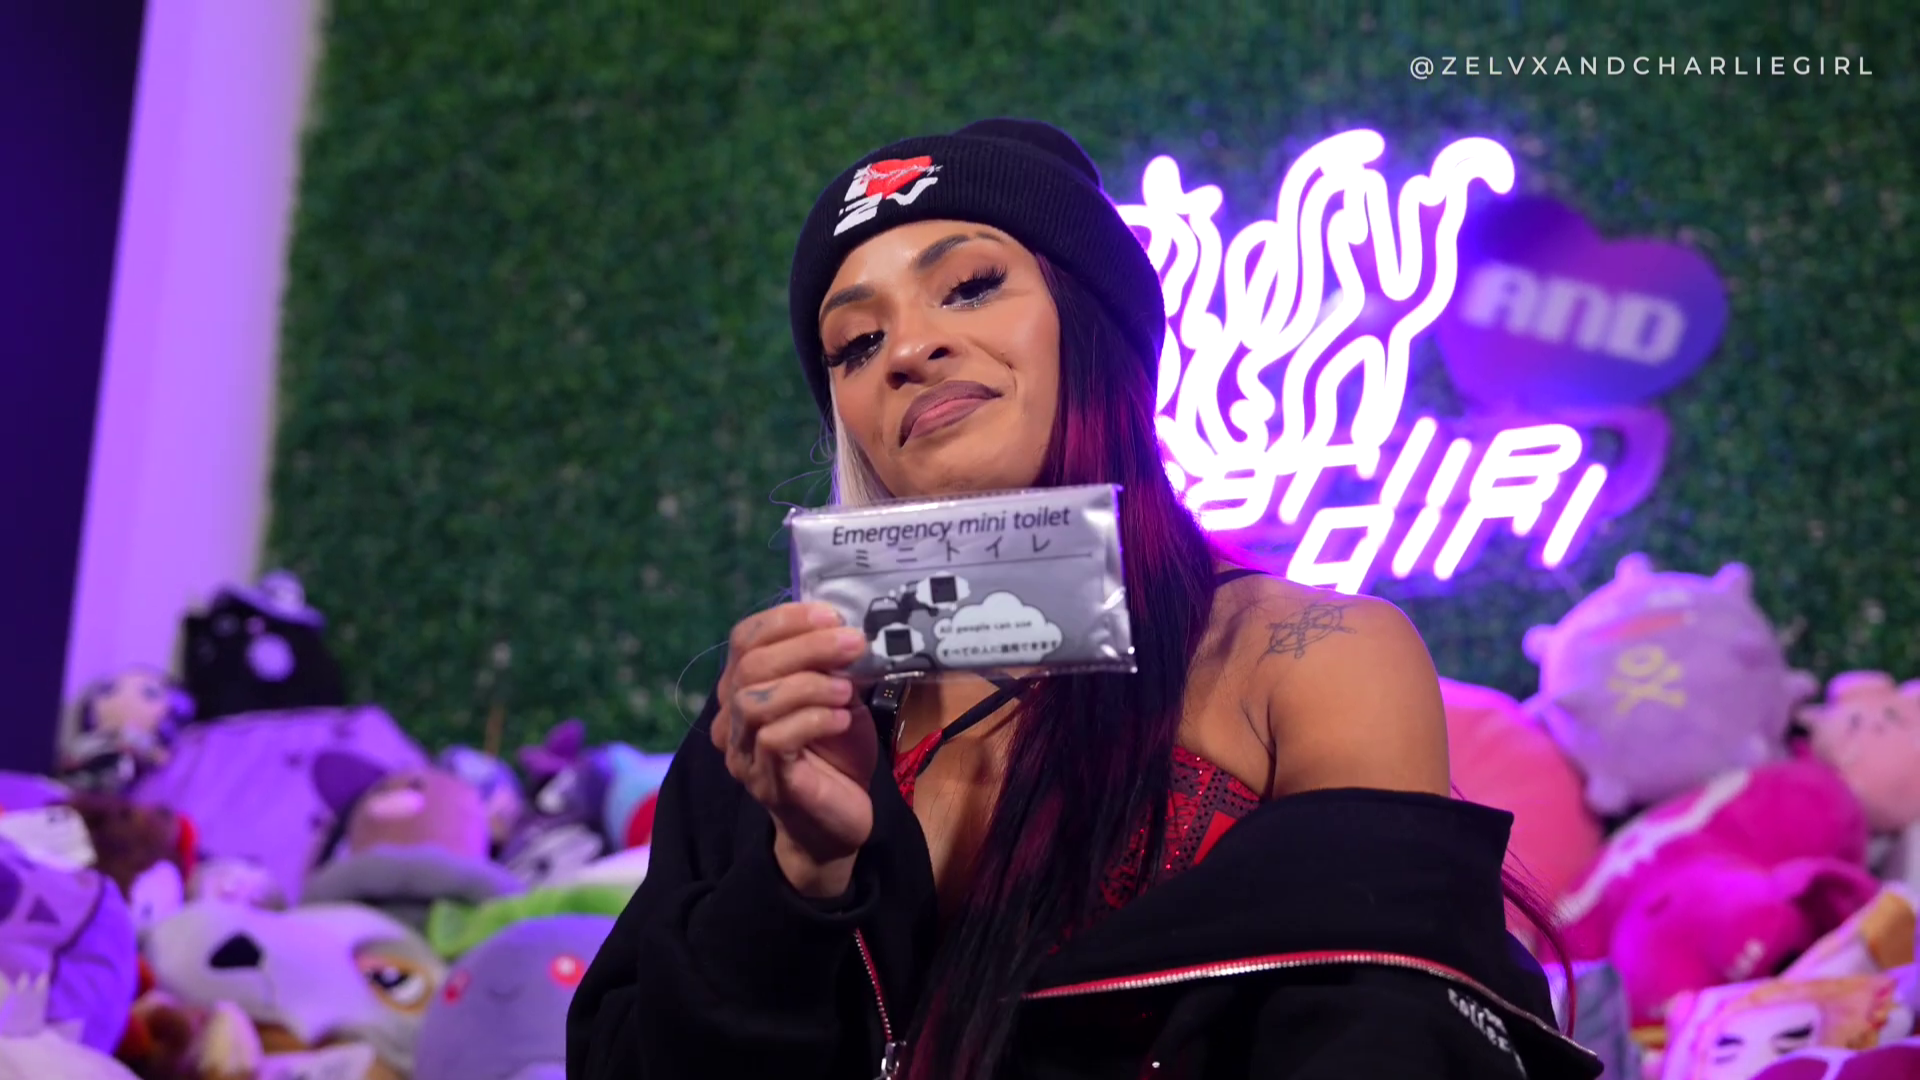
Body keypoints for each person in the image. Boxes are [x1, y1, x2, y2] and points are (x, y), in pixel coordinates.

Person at [567, 118, 1602, 1080]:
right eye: (856, 344)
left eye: (970, 286)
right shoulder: (785, 720)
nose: (910, 350)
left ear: (1091, 317)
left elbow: (1385, 1036)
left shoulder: (1310, 654)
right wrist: (798, 876)